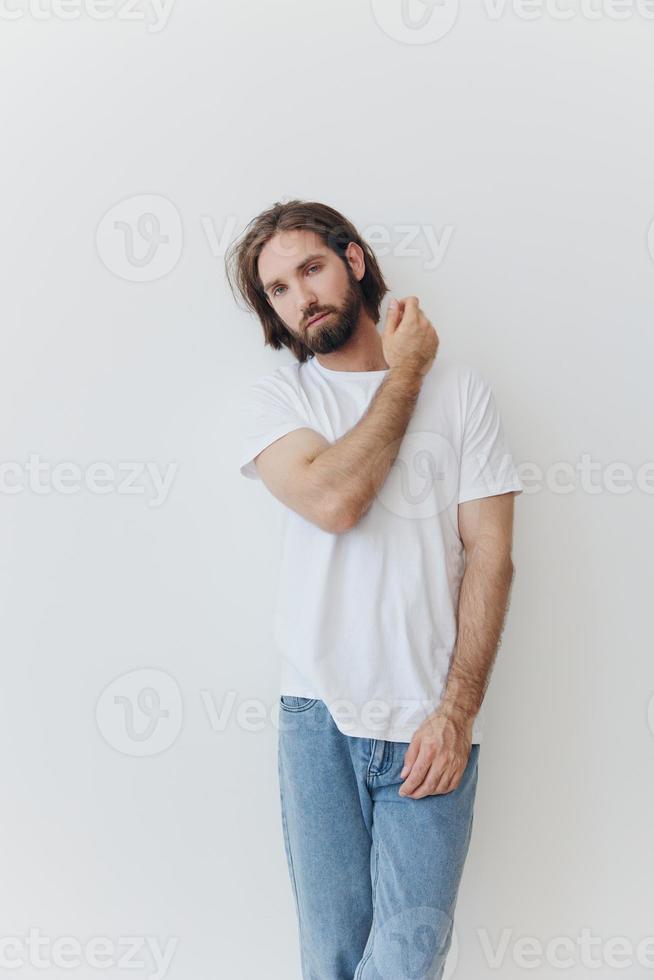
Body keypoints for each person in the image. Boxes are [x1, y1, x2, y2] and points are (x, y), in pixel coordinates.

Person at [226, 199, 523, 979]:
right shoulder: (280, 400)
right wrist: (408, 371)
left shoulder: (463, 394)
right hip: (317, 718)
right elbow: (334, 500)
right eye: (279, 290)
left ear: (353, 261)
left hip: (431, 716)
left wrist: (456, 714)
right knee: (330, 960)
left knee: (407, 960)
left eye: (310, 269)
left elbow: (492, 557)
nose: (302, 298)